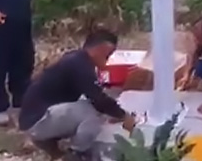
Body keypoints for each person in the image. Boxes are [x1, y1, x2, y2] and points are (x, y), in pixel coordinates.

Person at [18, 28, 138, 161]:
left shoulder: (76, 59)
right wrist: (124, 115)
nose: (107, 60)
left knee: (91, 106)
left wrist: (113, 112)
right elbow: (98, 100)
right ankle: (77, 153)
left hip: (33, 118)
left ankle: (52, 146)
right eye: (108, 55)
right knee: (93, 111)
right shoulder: (80, 65)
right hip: (38, 120)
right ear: (100, 49)